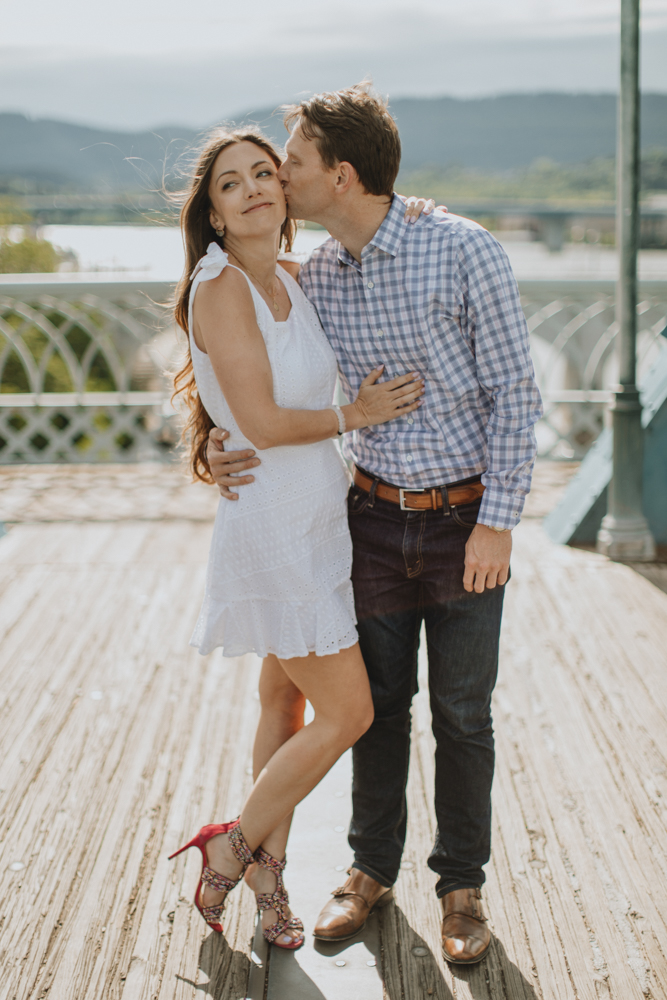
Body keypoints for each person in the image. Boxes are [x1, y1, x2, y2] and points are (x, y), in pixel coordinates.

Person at [208, 82, 543, 965]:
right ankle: (367, 873)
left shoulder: (461, 249)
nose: (280, 176)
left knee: (463, 714)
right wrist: (212, 434)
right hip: (365, 521)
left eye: (292, 162)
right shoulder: (314, 273)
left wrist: (498, 524)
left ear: (340, 175)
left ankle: (460, 890)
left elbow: (516, 393)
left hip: (466, 522)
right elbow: (247, 352)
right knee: (375, 711)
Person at [167, 126, 431, 950]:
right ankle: (232, 843)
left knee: (284, 701)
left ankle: (267, 882)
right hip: (277, 529)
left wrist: (413, 214)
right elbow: (265, 420)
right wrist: (357, 414)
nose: (251, 188)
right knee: (348, 711)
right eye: (228, 184)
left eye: (261, 174)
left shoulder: (290, 275)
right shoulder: (220, 288)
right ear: (211, 214)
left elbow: (235, 406)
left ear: (282, 193)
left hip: (321, 518)